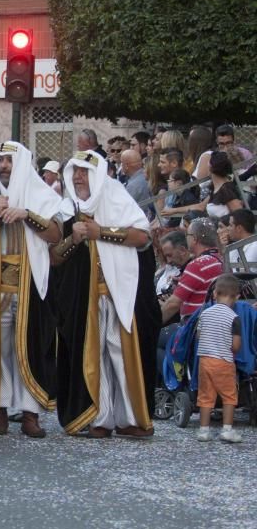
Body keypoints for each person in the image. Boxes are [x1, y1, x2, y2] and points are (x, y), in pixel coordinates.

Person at [52, 150, 159, 438]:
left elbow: (142, 236)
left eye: (84, 172)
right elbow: (53, 258)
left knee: (119, 355)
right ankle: (98, 418)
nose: (78, 177)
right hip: (82, 299)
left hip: (118, 293)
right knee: (92, 357)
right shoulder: (66, 210)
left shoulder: (117, 197)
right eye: (74, 172)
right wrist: (74, 239)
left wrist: (101, 232)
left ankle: (130, 418)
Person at [0, 140, 61, 437]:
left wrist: (26, 214)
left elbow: (56, 235)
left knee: (30, 346)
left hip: (30, 283)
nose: (4, 166)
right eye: (1, 160)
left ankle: (30, 413)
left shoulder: (41, 194)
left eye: (10, 160)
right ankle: (0, 410)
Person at [194, 275, 244, 443]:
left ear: (214, 294)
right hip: (223, 362)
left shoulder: (205, 313)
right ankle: (227, 430)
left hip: (204, 361)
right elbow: (236, 346)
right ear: (237, 297)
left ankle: (203, 431)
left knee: (206, 396)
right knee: (229, 396)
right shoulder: (234, 318)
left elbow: (199, 335)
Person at [160, 218, 223, 324]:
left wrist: (153, 326)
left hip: (196, 325)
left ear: (194, 239)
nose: (186, 238)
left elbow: (173, 304)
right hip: (212, 319)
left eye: (187, 235)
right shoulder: (218, 256)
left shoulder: (198, 264)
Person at [156, 231, 191, 299]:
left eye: (170, 255)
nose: (169, 261)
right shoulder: (184, 271)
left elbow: (175, 304)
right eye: (166, 257)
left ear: (182, 250)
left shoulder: (194, 270)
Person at [121, 149, 153, 216]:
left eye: (122, 163)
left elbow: (123, 209)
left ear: (126, 166)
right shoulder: (145, 177)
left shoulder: (133, 185)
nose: (121, 166)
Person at [223, 208, 257, 273]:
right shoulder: (234, 247)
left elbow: (244, 274)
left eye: (230, 225)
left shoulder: (255, 246)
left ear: (239, 228)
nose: (227, 228)